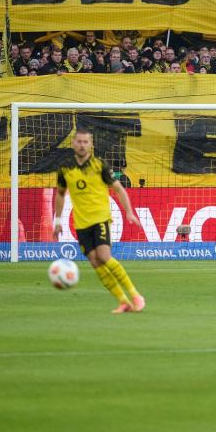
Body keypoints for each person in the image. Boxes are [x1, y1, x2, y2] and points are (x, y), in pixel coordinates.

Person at [52, 129, 145, 314]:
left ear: (91, 144)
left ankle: (135, 295)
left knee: (103, 257)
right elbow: (60, 194)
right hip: (81, 223)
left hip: (100, 218)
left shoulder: (100, 165)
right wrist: (58, 220)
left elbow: (118, 189)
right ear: (73, 143)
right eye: (79, 141)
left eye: (85, 142)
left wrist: (129, 212)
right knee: (95, 262)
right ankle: (123, 301)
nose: (82, 145)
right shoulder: (65, 168)